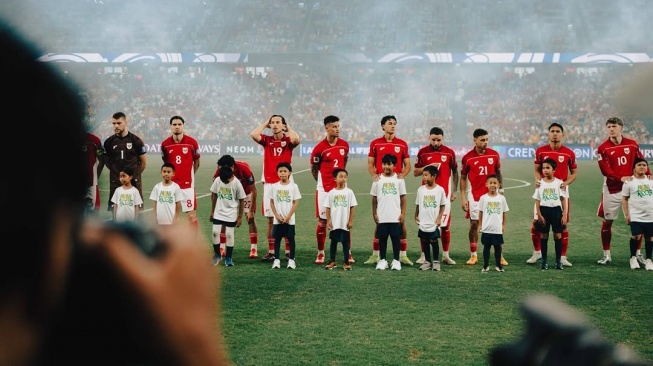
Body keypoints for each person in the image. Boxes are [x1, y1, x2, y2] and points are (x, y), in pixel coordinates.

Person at [0, 25, 229, 365]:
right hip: (114, 186)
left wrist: (135, 176)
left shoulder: (139, 141)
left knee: (146, 211)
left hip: (139, 184)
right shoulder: (107, 144)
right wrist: (196, 351)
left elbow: (149, 160)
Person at [596, 116, 649, 265]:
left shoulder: (632, 145)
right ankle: (606, 254)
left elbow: (642, 163)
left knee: (639, 220)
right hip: (612, 189)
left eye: (614, 126)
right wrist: (621, 178)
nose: (611, 129)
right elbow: (605, 170)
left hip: (633, 188)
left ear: (621, 128)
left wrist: (649, 176)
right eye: (609, 127)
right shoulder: (603, 148)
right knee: (607, 221)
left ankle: (638, 254)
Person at [250, 115, 300, 261]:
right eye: (272, 123)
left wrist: (288, 126)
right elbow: (253, 134)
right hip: (270, 183)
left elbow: (296, 139)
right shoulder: (267, 140)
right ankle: (272, 251)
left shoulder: (288, 141)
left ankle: (288, 252)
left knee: (287, 218)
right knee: (271, 219)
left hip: (286, 184)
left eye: (278, 122)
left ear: (283, 125)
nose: (274, 125)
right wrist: (265, 123)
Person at [364, 115, 413, 266]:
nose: (393, 126)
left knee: (401, 222)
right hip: (382, 184)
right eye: (389, 123)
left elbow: (407, 165)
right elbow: (371, 164)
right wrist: (375, 176)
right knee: (379, 221)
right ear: (383, 126)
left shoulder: (402, 144)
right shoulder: (375, 144)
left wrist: (401, 176)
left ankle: (403, 255)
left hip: (395, 186)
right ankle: (376, 254)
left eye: (394, 124)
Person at [527, 122, 577, 267]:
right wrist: (538, 180)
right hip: (544, 188)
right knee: (536, 222)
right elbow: (536, 169)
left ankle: (562, 257)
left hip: (561, 190)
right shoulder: (541, 151)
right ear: (549, 134)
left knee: (563, 223)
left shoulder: (569, 153)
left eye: (558, 131)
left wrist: (566, 183)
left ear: (562, 134)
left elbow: (574, 173)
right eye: (552, 131)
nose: (555, 133)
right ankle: (537, 253)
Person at [460, 128, 508, 266]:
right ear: (474, 140)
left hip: (493, 195)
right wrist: (463, 197)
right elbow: (463, 178)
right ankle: (473, 255)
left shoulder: (494, 155)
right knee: (474, 224)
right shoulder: (468, 158)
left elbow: (498, 172)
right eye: (482, 140)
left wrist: (502, 189)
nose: (485, 142)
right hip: (475, 196)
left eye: (487, 139)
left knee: (497, 225)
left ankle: (499, 256)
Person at [413, 127, 459, 265]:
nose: (436, 142)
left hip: (443, 195)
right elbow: (415, 172)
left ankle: (445, 255)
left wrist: (454, 190)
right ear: (429, 138)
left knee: (445, 226)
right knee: (424, 226)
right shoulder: (422, 153)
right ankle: (423, 255)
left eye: (439, 140)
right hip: (426, 195)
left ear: (442, 139)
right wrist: (427, 167)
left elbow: (455, 172)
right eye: (433, 139)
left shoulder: (449, 153)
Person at [310, 115, 351, 265]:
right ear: (326, 128)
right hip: (324, 189)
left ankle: (349, 252)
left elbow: (344, 161)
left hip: (341, 189)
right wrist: (322, 183)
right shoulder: (319, 148)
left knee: (345, 221)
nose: (337, 129)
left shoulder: (345, 145)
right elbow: (314, 169)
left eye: (338, 126)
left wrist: (340, 180)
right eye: (334, 126)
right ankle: (321, 253)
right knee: (322, 221)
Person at [214, 155, 259, 259]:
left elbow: (254, 190)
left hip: (246, 193)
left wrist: (251, 210)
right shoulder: (219, 171)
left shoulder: (244, 168)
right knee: (223, 219)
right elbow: (215, 191)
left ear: (233, 167)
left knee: (250, 219)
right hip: (230, 194)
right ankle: (222, 247)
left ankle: (253, 248)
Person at [161, 115, 201, 231]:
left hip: (187, 186)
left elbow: (197, 163)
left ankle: (193, 245)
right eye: (174, 125)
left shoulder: (192, 143)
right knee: (171, 217)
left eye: (179, 124)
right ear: (170, 127)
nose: (177, 127)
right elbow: (166, 164)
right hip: (171, 186)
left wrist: (189, 175)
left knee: (191, 216)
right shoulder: (165, 144)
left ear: (183, 126)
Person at [103, 111, 147, 211]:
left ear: (126, 122)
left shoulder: (136, 141)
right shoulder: (108, 142)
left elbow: (143, 163)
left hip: (133, 183)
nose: (116, 126)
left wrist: (134, 175)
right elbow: (106, 162)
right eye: (113, 123)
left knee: (137, 211)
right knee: (115, 210)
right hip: (116, 182)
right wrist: (117, 174)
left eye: (119, 123)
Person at [371, 154, 407, 271]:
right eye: (384, 164)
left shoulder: (399, 180)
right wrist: (375, 213)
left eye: (389, 164)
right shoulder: (377, 180)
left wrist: (403, 213)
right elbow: (374, 198)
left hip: (395, 215)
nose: (386, 166)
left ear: (395, 166)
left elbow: (403, 198)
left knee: (396, 238)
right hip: (382, 215)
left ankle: (396, 260)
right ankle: (383, 260)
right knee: (382, 238)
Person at [532, 158, 568, 270]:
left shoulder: (559, 183)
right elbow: (537, 200)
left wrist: (564, 214)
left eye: (548, 168)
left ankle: (558, 261)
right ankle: (544, 261)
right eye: (543, 168)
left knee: (557, 235)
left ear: (554, 170)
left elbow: (563, 199)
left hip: (556, 211)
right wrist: (539, 214)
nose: (545, 170)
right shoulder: (540, 183)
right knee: (544, 235)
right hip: (544, 210)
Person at [210, 165, 246, 267]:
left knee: (229, 235)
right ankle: (217, 255)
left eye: (226, 181)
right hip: (218, 212)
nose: (224, 182)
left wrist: (240, 217)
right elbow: (214, 195)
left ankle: (229, 258)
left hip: (231, 213)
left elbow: (242, 199)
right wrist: (212, 211)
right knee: (215, 233)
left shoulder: (237, 183)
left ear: (231, 176)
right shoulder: (218, 180)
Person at [621, 158, 653, 270]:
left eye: (644, 165)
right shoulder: (629, 182)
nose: (642, 167)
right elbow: (624, 199)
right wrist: (627, 214)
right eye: (639, 165)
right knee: (636, 236)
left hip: (650, 214)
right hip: (636, 215)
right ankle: (633, 258)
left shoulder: (651, 180)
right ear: (634, 167)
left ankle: (649, 260)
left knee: (650, 238)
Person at [269, 162, 302, 270]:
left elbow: (296, 202)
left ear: (289, 173)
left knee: (291, 239)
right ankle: (276, 259)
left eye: (285, 171)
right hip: (278, 219)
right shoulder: (274, 186)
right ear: (277, 173)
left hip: (290, 219)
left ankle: (292, 260)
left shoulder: (294, 186)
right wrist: (277, 216)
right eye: (280, 171)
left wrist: (288, 217)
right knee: (277, 239)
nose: (283, 173)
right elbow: (272, 202)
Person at [323, 168, 357, 271]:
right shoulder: (331, 193)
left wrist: (350, 221)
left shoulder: (349, 192)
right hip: (334, 223)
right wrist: (328, 221)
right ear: (335, 179)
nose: (343, 179)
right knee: (333, 242)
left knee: (345, 243)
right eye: (341, 176)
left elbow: (352, 207)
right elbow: (328, 208)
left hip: (344, 224)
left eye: (345, 177)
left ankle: (346, 262)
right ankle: (332, 261)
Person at [414, 165, 447, 271]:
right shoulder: (421, 190)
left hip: (433, 221)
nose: (424, 177)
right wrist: (416, 214)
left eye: (426, 175)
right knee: (424, 241)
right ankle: (427, 261)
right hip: (423, 220)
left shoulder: (440, 190)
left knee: (434, 241)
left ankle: (436, 261)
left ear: (433, 176)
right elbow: (418, 204)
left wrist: (439, 218)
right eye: (423, 175)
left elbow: (442, 205)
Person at [478, 175, 510, 273]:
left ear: (498, 185)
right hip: (487, 228)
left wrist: (503, 225)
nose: (493, 185)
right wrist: (480, 225)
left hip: (497, 228)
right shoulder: (483, 198)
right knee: (486, 248)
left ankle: (498, 266)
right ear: (486, 184)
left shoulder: (502, 198)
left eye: (495, 183)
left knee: (498, 247)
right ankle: (485, 266)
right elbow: (481, 212)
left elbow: (504, 213)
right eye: (490, 183)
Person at [84, 131, 105, 216]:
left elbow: (102, 160)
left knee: (93, 212)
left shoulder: (95, 141)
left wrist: (96, 177)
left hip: (90, 184)